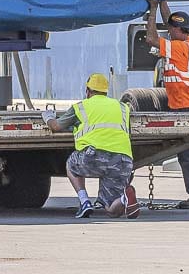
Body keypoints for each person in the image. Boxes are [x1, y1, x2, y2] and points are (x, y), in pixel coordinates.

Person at [145, 0, 189, 209]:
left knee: (187, 154)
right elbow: (170, 22)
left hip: (186, 106)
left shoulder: (179, 47)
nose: (169, 30)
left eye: (171, 29)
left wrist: (153, 8)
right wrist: (163, 0)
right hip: (186, 104)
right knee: (188, 153)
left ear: (176, 31)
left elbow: (150, 38)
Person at [44, 73, 139, 219]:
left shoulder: (81, 107)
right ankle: (123, 199)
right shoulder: (122, 108)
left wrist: (48, 117)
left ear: (88, 91)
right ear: (106, 91)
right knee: (111, 210)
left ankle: (84, 202)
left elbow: (56, 126)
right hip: (122, 161)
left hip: (95, 157)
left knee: (71, 164)